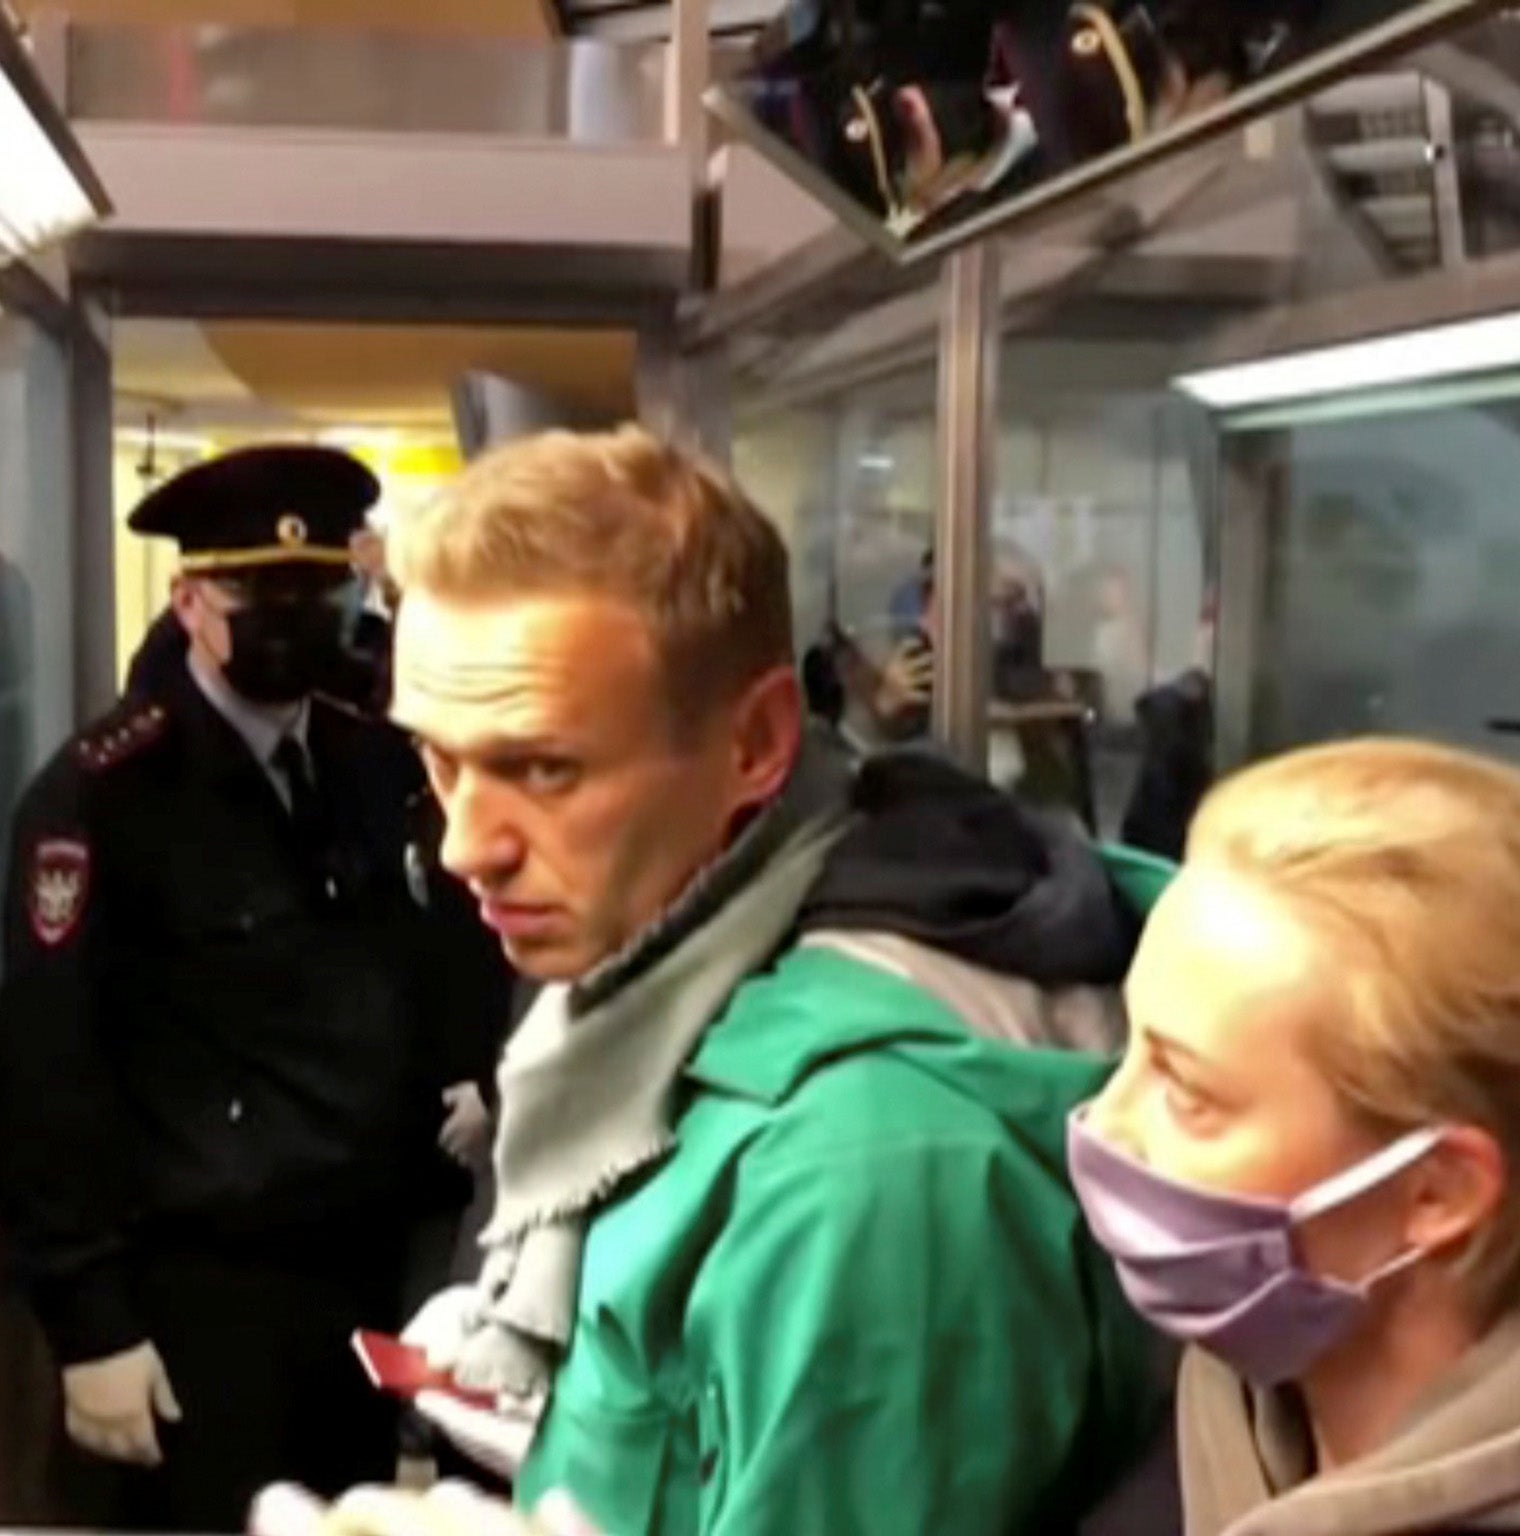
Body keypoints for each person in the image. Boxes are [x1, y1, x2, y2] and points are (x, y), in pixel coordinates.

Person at [269, 427, 1166, 1535]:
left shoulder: (857, 1173)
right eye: (439, 758)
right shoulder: (673, 970)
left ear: (753, 742)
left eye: (542, 769)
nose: (465, 844)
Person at [0, 443, 508, 1534]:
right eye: (259, 591)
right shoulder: (102, 795)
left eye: (316, 591)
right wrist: (89, 1323)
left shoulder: (372, 760)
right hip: (192, 1295)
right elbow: (45, 1061)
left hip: (357, 1270)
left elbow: (431, 933)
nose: (292, 616)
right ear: (189, 599)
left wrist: (471, 1068)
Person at [1071, 737, 1520, 1536]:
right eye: (1129, 1046)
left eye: (1188, 1092)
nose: (1107, 1122)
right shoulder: (1214, 1409)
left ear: (1438, 1192)